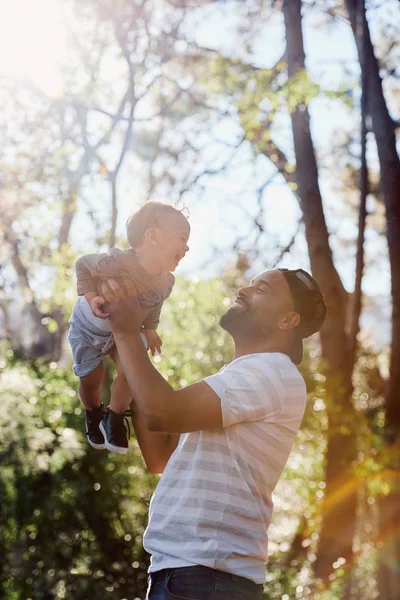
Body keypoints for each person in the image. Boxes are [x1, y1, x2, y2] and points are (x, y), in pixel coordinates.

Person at [100, 267, 327, 599]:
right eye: (250, 283)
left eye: (261, 289)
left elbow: (163, 412)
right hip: (186, 573)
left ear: (288, 320)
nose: (244, 290)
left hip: (206, 577)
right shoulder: (236, 378)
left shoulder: (272, 372)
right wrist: (129, 366)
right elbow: (160, 456)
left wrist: (126, 331)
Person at [68, 202, 190, 454]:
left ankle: (114, 416)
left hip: (124, 330)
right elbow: (82, 264)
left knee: (132, 368)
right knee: (92, 378)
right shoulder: (116, 262)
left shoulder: (166, 282)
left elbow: (155, 303)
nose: (187, 247)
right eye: (182, 238)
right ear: (153, 236)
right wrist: (91, 297)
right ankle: (93, 413)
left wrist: (150, 329)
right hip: (88, 327)